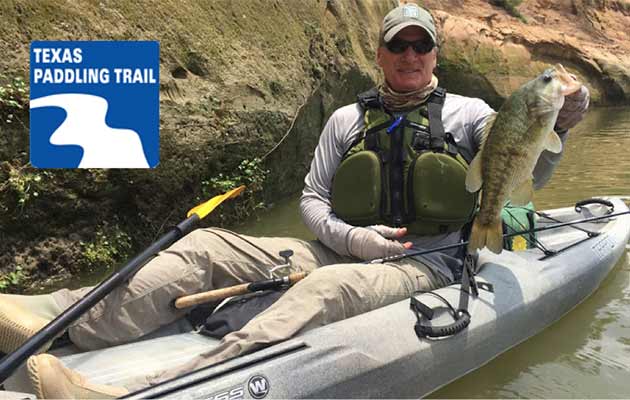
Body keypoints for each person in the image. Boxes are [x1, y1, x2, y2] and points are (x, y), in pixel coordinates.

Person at [0, 3, 589, 398]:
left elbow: (520, 169)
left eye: (421, 46)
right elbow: (311, 199)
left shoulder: (475, 114)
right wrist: (350, 238)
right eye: (398, 46)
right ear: (380, 54)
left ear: (435, 56)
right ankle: (56, 318)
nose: (410, 56)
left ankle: (159, 389)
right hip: (340, 248)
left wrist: (561, 121)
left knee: (327, 290)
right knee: (206, 244)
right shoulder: (345, 118)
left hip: (427, 260)